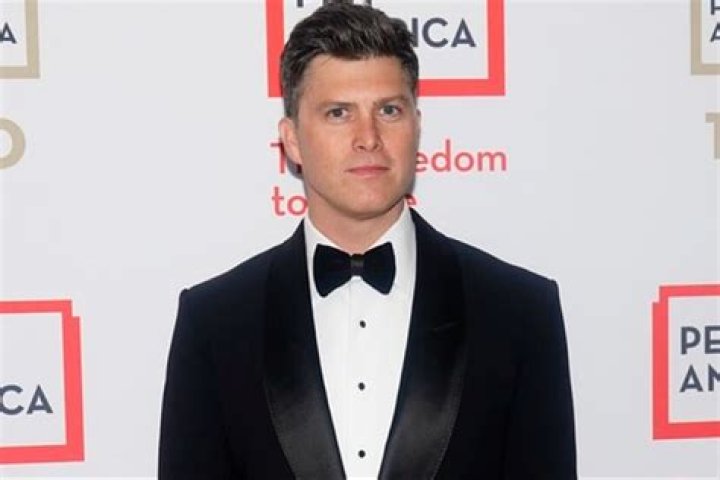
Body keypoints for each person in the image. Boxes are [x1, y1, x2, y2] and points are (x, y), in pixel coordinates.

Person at [158, 1, 576, 478]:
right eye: (339, 113)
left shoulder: (520, 312)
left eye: (389, 110)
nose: (368, 137)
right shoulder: (215, 323)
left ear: (417, 125)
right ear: (291, 140)